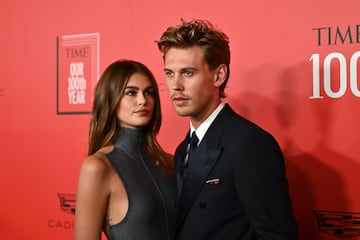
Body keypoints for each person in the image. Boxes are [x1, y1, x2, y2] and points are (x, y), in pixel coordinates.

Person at [156, 19, 298, 240]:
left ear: (219, 75)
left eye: (188, 73)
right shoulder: (183, 150)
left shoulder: (250, 145)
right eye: (170, 73)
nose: (176, 85)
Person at [74, 59, 176, 240]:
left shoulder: (171, 162)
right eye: (131, 93)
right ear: (111, 99)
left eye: (149, 93)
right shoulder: (98, 167)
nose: (143, 100)